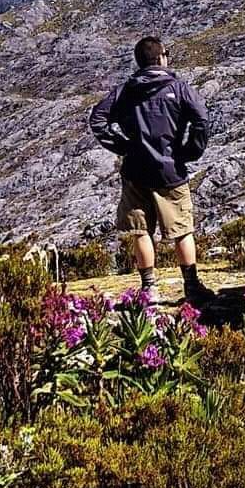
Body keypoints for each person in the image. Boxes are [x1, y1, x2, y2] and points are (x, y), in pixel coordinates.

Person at [89, 36, 216, 305]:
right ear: (161, 58)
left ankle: (149, 289)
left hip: (136, 170)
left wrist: (123, 146)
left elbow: (98, 119)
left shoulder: (126, 90)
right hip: (171, 170)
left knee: (141, 230)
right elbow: (202, 120)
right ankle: (191, 287)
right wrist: (190, 151)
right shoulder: (179, 88)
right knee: (182, 229)